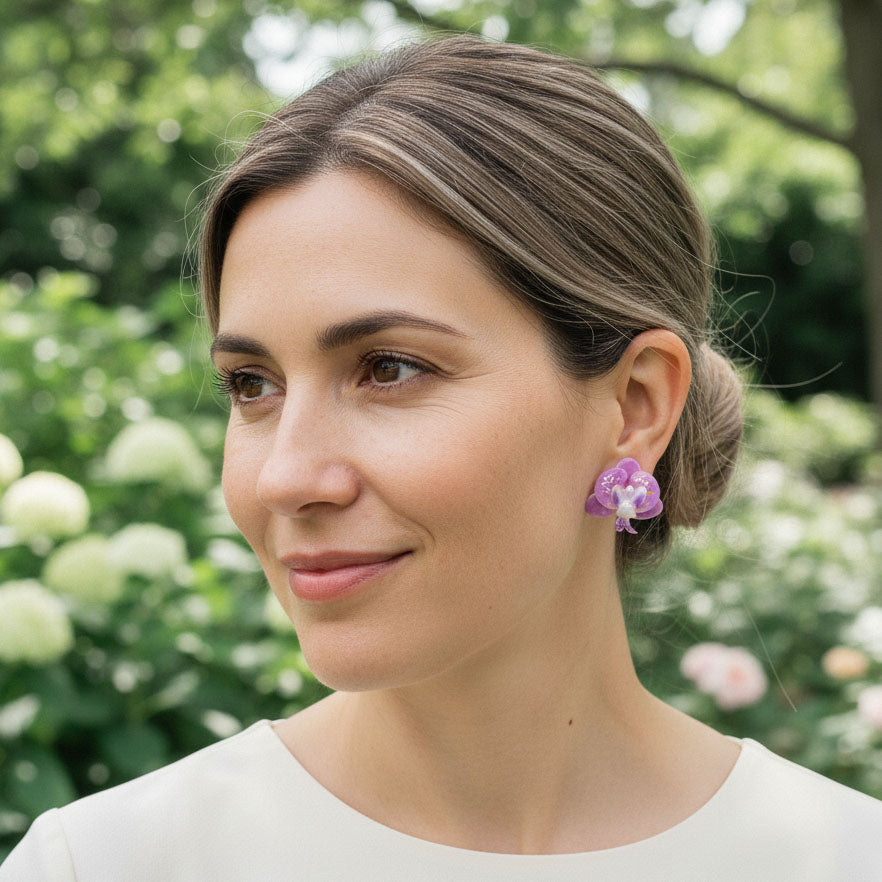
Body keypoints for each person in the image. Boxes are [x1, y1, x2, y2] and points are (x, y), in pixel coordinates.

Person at [3, 32, 881, 881]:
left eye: (388, 369)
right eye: (251, 385)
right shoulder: (103, 865)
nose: (285, 478)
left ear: (636, 405)